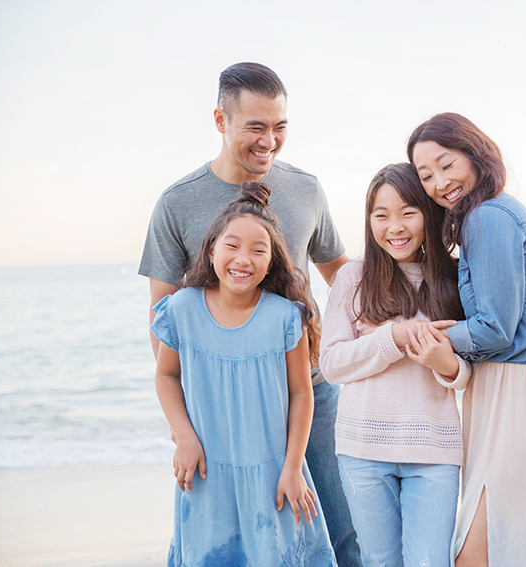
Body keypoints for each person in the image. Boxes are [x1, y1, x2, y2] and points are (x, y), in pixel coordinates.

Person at [139, 62, 361, 566]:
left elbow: (343, 279)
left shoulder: (306, 190)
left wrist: (391, 331)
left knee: (343, 525)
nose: (270, 141)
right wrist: (187, 427)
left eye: (280, 127)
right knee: (235, 539)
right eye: (255, 127)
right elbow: (162, 317)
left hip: (313, 387)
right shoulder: (177, 203)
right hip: (227, 406)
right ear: (220, 120)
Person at [408, 113, 526, 567]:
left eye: (446, 164)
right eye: (425, 175)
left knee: (482, 552)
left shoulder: (487, 217)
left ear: (474, 152)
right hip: (524, 390)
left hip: (518, 394)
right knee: (520, 543)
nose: (438, 183)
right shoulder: (496, 211)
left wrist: (438, 340)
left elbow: (495, 329)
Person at [152, 182, 336, 565]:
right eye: (232, 245)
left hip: (273, 473)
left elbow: (302, 394)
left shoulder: (286, 317)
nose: (243, 258)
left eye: (258, 250)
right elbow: (166, 375)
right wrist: (184, 435)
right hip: (207, 472)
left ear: (272, 262)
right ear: (212, 249)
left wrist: (292, 468)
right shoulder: (182, 310)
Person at [319, 163, 469, 567]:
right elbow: (331, 364)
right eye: (381, 215)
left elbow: (471, 371)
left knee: (430, 562)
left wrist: (447, 366)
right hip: (362, 449)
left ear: (428, 212)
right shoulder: (353, 277)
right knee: (380, 562)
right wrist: (394, 339)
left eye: (407, 212)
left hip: (434, 450)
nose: (394, 227)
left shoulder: (454, 279)